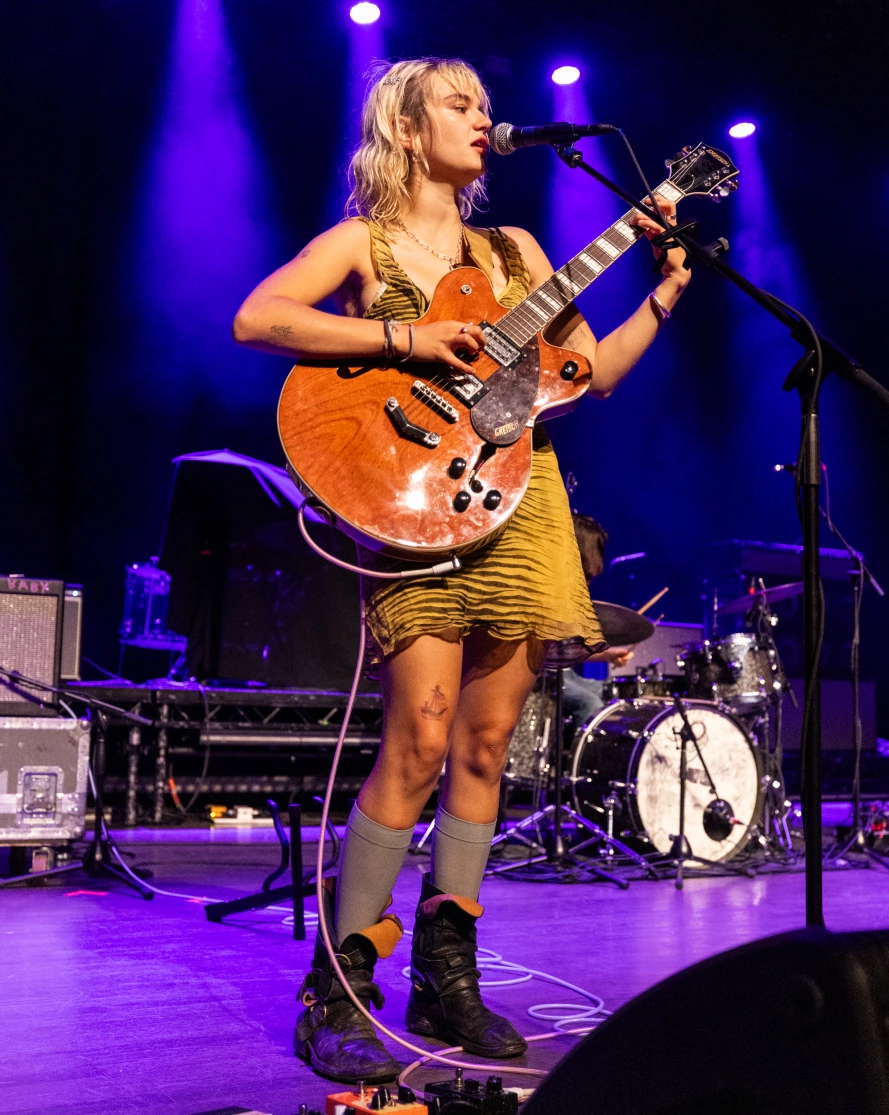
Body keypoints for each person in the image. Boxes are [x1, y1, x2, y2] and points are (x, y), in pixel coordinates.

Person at [233, 57, 690, 1084]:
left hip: (521, 500)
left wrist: (661, 289)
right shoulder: (365, 241)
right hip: (410, 505)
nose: (482, 118)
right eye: (458, 102)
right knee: (421, 731)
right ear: (403, 125)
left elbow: (595, 374)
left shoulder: (518, 249)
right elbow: (259, 318)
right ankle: (340, 981)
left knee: (486, 747)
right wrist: (409, 334)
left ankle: (449, 973)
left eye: (485, 104)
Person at [561, 514, 634, 734]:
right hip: (542, 679)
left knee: (614, 694)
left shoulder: (573, 594)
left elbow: (567, 648)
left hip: (567, 676)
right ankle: (573, 765)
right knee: (589, 703)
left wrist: (608, 654)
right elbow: (553, 652)